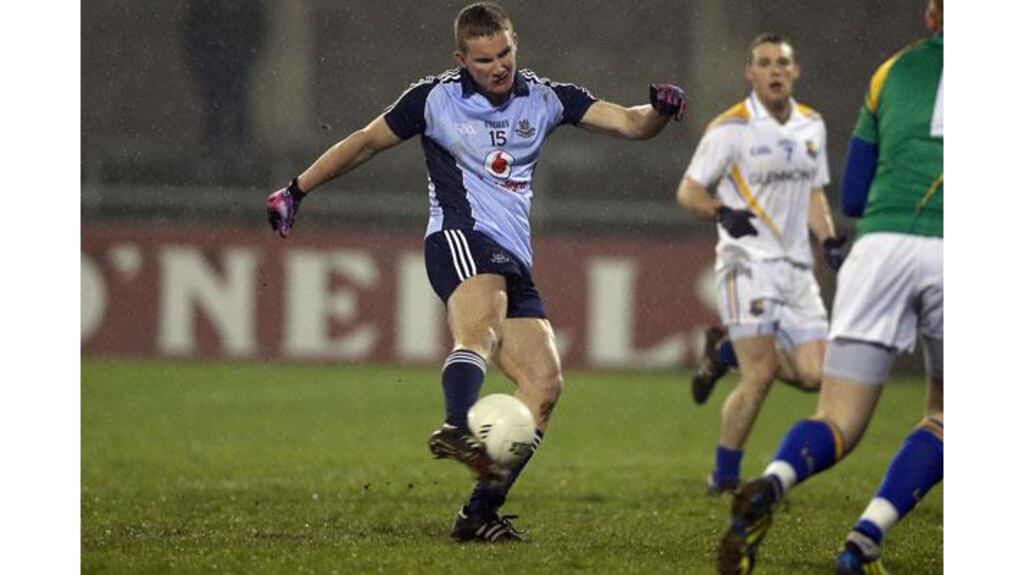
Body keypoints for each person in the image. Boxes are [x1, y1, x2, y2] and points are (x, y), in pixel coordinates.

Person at [265, 2, 686, 542]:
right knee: (480, 328)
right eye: (484, 58)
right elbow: (366, 142)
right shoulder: (434, 99)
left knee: (544, 385)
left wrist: (660, 111)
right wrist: (297, 190)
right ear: (461, 58)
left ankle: (478, 514)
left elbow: (630, 123)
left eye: (505, 52)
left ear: (515, 44)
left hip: (513, 255)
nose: (498, 66)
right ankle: (459, 423)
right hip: (459, 237)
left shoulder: (546, 98)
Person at [717, 2, 943, 573]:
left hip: (878, 247)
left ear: (931, 17)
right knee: (946, 417)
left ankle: (771, 482)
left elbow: (853, 197)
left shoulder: (891, 72)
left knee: (836, 417)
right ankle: (864, 539)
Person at [676, 33, 844, 495]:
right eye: (765, 63)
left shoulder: (812, 125)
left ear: (795, 71)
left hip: (796, 268)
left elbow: (813, 192)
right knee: (762, 373)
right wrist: (720, 211)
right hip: (744, 262)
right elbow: (688, 191)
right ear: (750, 73)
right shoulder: (730, 128)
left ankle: (724, 352)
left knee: (815, 378)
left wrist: (827, 238)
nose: (774, 70)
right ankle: (724, 477)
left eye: (782, 62)